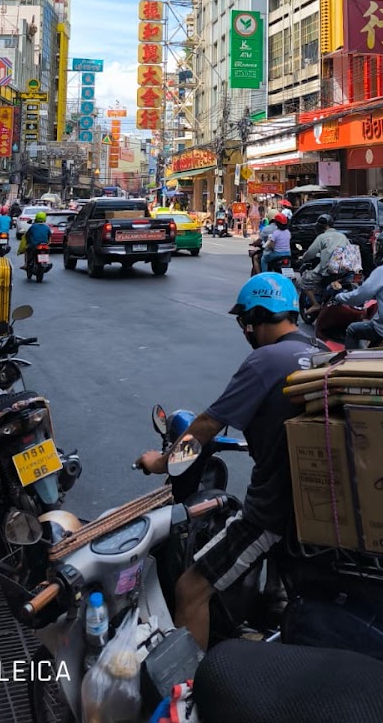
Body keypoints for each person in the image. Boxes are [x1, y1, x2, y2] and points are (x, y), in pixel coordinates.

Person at [135, 273, 318, 649]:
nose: (245, 331)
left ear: (257, 318)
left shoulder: (266, 360)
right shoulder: (321, 353)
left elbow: (204, 427)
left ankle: (189, 697)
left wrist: (159, 462)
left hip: (272, 512)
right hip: (315, 508)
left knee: (191, 587)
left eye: (245, 323)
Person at [297, 214, 352, 316]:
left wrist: (302, 259)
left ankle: (315, 304)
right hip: (345, 270)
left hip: (329, 270)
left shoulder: (322, 237)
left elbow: (311, 253)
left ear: (319, 226)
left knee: (304, 280)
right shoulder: (342, 236)